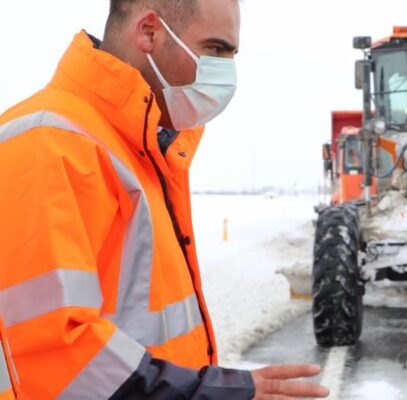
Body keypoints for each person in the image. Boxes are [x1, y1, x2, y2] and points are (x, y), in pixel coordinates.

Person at [0, 1, 328, 398]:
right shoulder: (48, 144)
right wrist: (209, 393)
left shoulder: (138, 150)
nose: (227, 71)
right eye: (216, 49)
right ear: (150, 32)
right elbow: (56, 358)